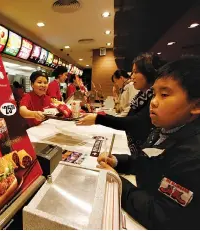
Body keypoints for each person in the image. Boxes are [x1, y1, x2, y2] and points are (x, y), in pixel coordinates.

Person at [96, 56, 200, 229]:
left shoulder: (193, 157)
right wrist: (116, 161)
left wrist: (116, 182)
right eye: (154, 94)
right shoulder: (164, 130)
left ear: (196, 105)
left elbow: (161, 215)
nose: (154, 102)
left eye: (164, 94)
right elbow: (146, 161)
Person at [77, 53, 166, 155]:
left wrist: (99, 119)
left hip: (142, 152)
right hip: (133, 149)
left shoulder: (151, 97)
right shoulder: (142, 95)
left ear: (148, 73)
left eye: (135, 72)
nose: (132, 76)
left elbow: (136, 122)